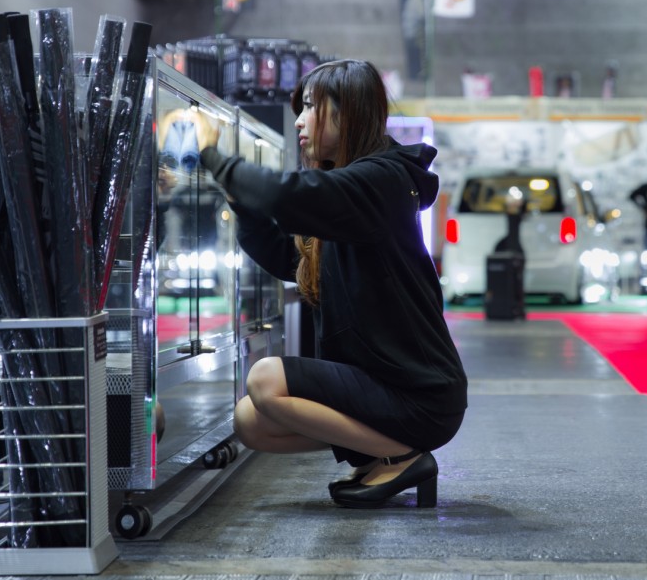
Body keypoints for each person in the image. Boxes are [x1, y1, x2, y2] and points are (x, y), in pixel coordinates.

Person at [178, 59, 468, 508]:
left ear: (347, 111)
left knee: (265, 379)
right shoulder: (354, 187)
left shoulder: (383, 178)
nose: (298, 120)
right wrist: (239, 198)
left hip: (419, 393)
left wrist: (215, 156)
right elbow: (285, 257)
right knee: (250, 421)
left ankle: (400, 455)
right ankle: (379, 451)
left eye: (310, 105)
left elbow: (290, 195)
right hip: (379, 383)